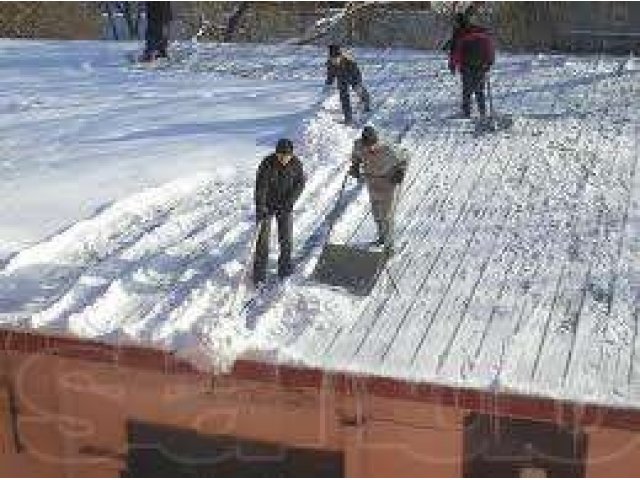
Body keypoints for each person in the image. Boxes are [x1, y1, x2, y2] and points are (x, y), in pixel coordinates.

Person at [253, 139, 305, 285]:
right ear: (276, 153)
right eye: (280, 156)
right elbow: (260, 187)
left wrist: (289, 202)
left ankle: (285, 269)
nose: (283, 159)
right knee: (262, 241)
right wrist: (261, 207)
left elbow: (300, 184)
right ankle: (259, 276)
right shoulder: (267, 163)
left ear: (291, 155)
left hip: (285, 205)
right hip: (267, 205)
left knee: (286, 239)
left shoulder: (296, 164)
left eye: (286, 156)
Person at [349, 126, 407, 255]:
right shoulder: (359, 145)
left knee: (387, 216)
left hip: (388, 182)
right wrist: (355, 165)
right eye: (367, 145)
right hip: (371, 181)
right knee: (376, 213)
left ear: (376, 141)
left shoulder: (388, 148)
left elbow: (405, 156)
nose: (370, 148)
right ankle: (382, 238)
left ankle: (389, 247)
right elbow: (356, 155)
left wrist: (400, 171)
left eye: (372, 145)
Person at [448, 13, 495, 118]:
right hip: (482, 65)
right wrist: (490, 62)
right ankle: (483, 112)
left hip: (467, 66)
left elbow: (456, 52)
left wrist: (452, 65)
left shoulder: (460, 34)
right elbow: (490, 47)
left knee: (467, 91)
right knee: (479, 90)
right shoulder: (482, 32)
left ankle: (466, 113)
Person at [325, 44, 371, 124]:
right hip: (341, 78)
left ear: (340, 56)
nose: (334, 61)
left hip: (353, 77)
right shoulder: (330, 64)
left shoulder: (350, 62)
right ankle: (348, 118)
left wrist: (357, 84)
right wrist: (328, 84)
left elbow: (357, 74)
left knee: (359, 90)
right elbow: (330, 75)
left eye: (336, 58)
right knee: (344, 97)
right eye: (332, 59)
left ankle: (366, 102)